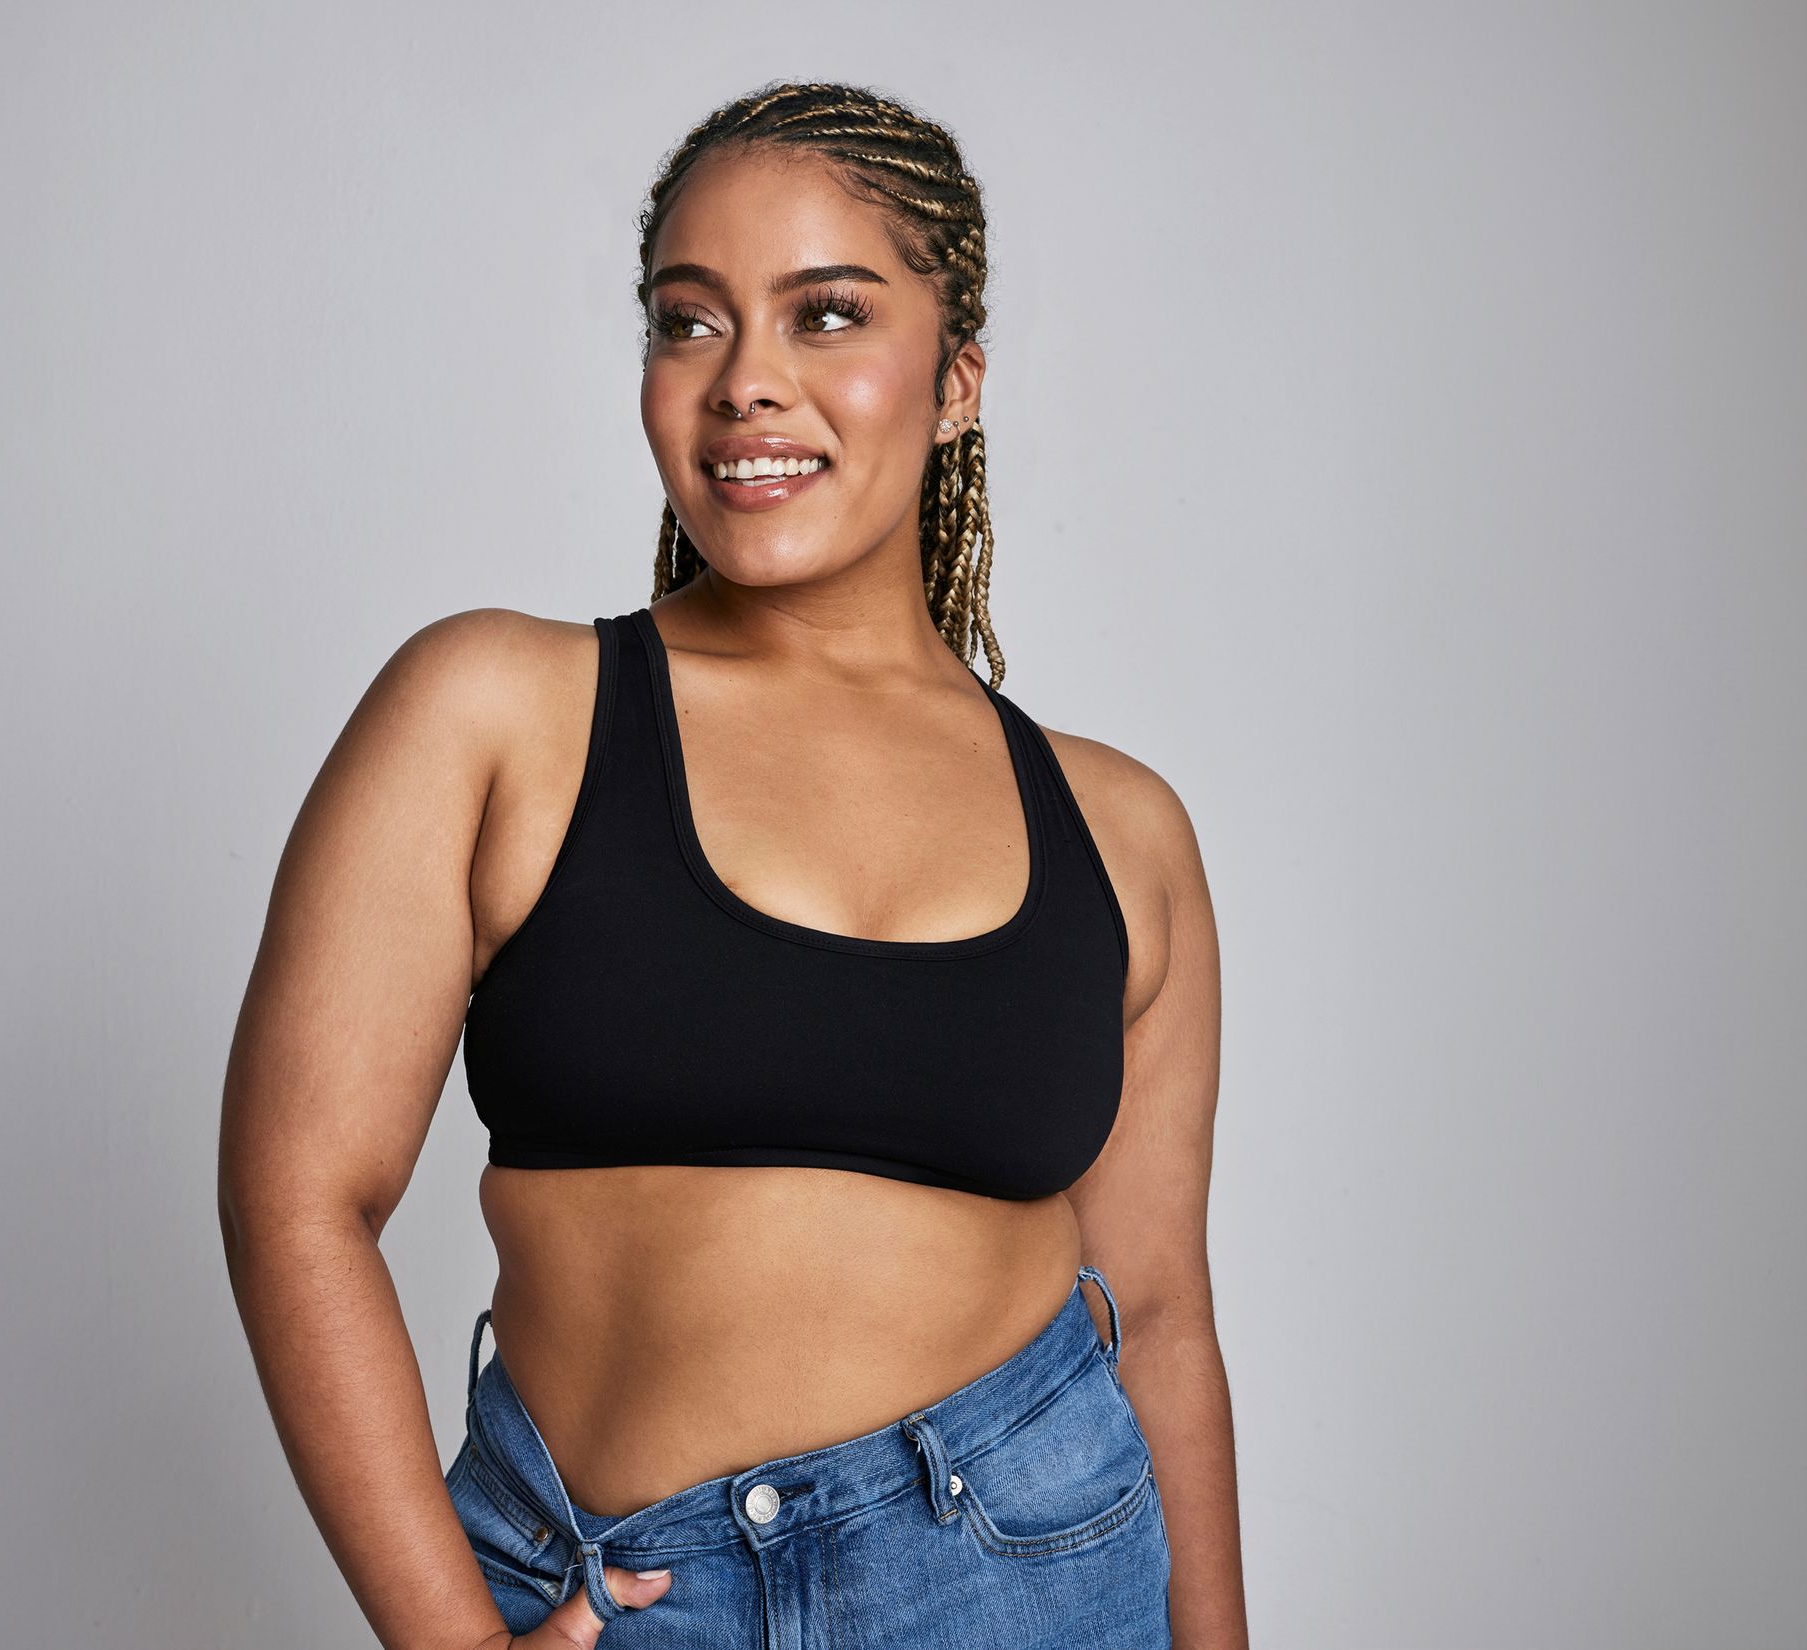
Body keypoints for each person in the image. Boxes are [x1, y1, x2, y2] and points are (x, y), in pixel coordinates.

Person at [219, 80, 1243, 1650]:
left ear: (958, 380)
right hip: (614, 1596)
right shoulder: (499, 714)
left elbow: (1157, 1313)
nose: (747, 382)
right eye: (689, 324)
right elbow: (298, 1194)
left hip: (1028, 1586)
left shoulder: (1121, 831)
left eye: (826, 315)